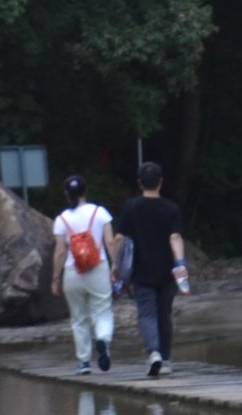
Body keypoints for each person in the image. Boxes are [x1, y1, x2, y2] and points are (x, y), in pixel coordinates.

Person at [117, 158, 190, 376]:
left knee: (146, 314)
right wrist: (180, 263)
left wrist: (116, 265)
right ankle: (166, 359)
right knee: (165, 313)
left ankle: (154, 352)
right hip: (168, 271)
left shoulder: (131, 207)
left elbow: (119, 238)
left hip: (141, 271)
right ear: (161, 182)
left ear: (140, 183)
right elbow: (175, 237)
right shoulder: (170, 208)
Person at [49, 173, 117, 375]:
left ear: (66, 194)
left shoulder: (61, 219)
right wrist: (115, 265)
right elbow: (110, 242)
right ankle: (103, 340)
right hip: (98, 267)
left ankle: (84, 362)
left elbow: (60, 252)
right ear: (85, 191)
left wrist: (55, 278)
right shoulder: (100, 212)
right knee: (102, 311)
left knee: (79, 318)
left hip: (73, 272)